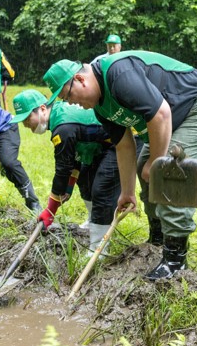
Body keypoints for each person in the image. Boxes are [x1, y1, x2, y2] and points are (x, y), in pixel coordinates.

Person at [43, 51, 197, 280]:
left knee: (171, 176)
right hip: (170, 119)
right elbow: (124, 146)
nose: (72, 104)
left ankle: (175, 262)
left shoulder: (118, 74)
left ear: (80, 80)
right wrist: (127, 192)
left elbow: (160, 115)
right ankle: (159, 240)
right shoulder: (101, 108)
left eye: (68, 96)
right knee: (145, 167)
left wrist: (157, 164)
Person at [10, 90, 140, 255]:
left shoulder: (63, 127)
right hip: (99, 145)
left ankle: (98, 249)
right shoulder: (58, 117)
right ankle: (95, 221)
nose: (26, 125)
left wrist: (50, 210)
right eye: (23, 122)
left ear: (42, 109)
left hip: (121, 144)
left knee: (101, 189)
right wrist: (68, 188)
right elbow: (74, 160)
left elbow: (63, 168)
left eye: (28, 118)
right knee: (85, 179)